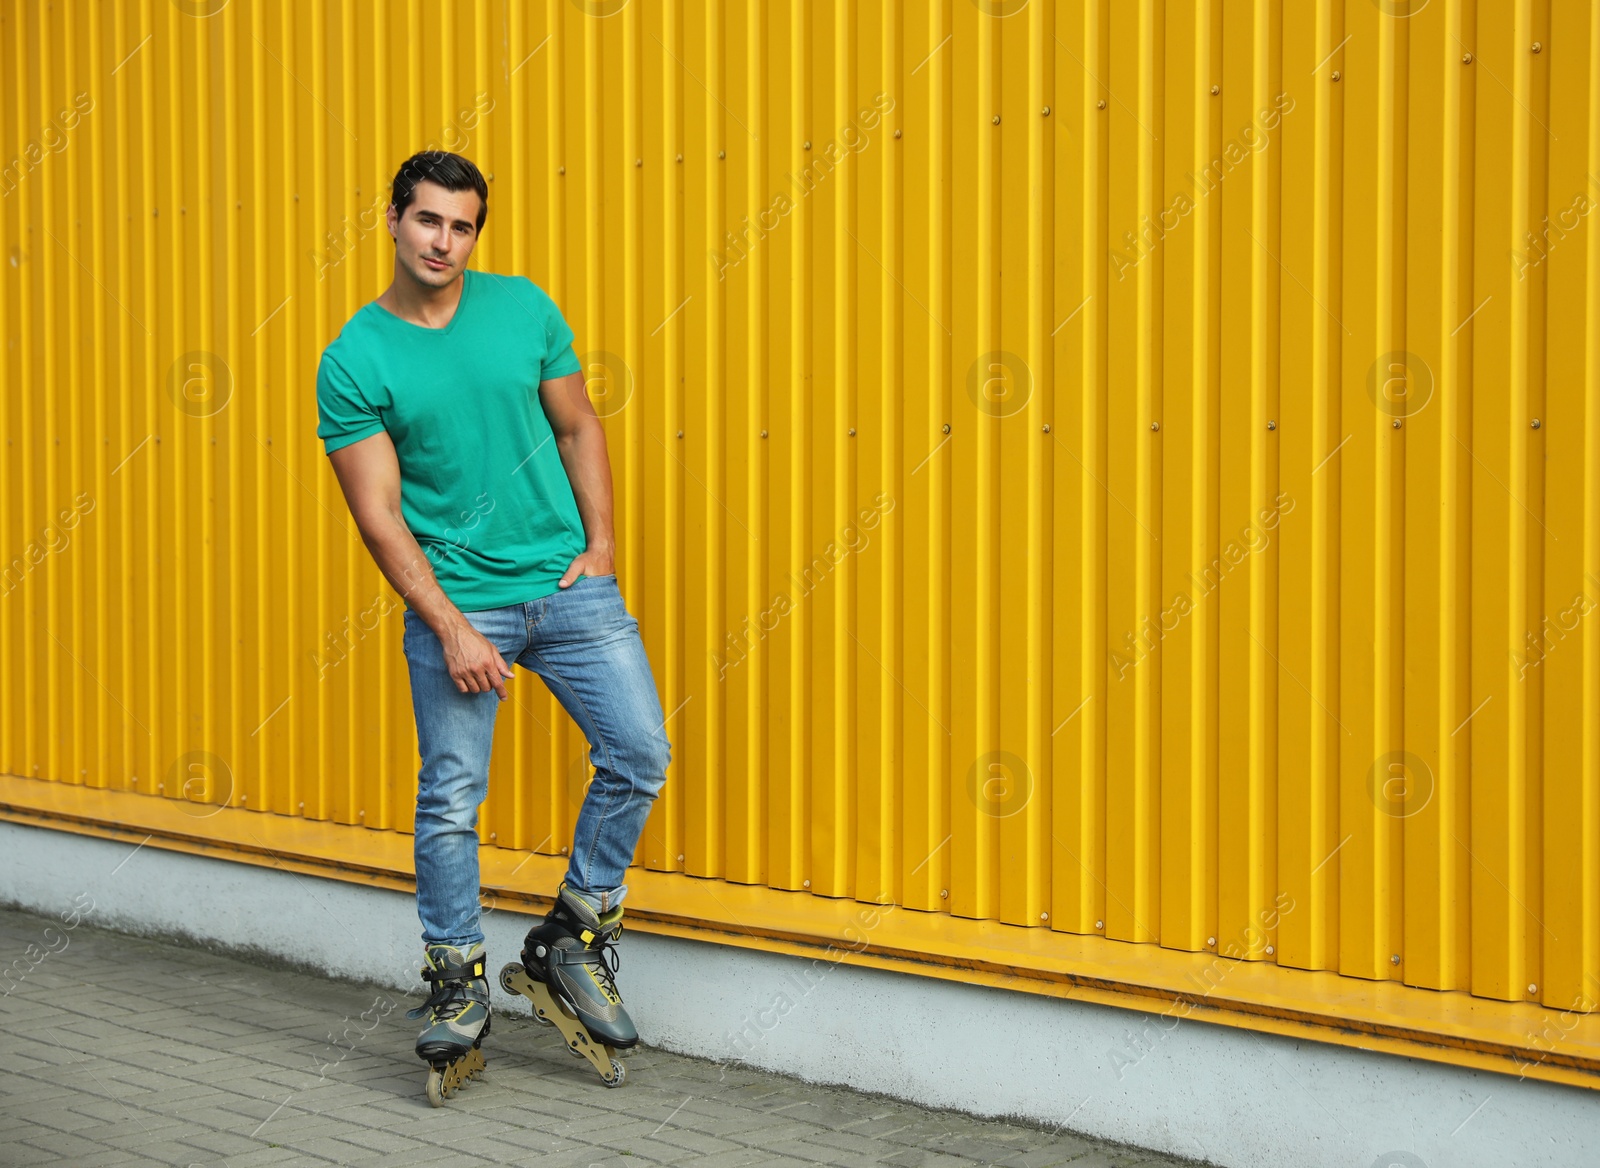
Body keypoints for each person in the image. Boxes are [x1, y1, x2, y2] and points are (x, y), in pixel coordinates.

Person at [314, 149, 671, 1089]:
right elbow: (378, 512)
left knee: (639, 751)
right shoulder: (355, 357)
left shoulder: (524, 309)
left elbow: (578, 425)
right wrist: (450, 624)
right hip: (459, 603)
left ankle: (572, 935)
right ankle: (455, 979)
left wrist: (599, 548)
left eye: (462, 225)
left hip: (567, 588)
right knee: (450, 799)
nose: (444, 240)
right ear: (391, 218)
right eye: (427, 219)